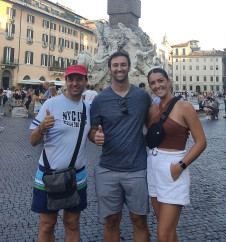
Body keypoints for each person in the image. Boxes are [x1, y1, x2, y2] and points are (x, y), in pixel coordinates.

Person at [89, 51, 151, 242]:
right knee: (111, 220)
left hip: (137, 168)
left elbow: (153, 125)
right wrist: (95, 137)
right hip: (108, 168)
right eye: (115, 65)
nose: (119, 69)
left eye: (123, 65)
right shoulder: (99, 100)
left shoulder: (142, 97)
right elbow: (92, 130)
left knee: (139, 219)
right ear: (109, 69)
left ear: (129, 67)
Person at [29, 65, 90, 241]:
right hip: (48, 175)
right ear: (66, 81)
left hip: (77, 176)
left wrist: (96, 135)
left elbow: (92, 131)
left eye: (79, 79)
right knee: (47, 225)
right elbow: (33, 141)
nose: (75, 83)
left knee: (72, 223)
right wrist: (41, 127)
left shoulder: (88, 108)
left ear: (86, 81)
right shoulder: (51, 104)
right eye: (71, 79)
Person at [146, 68, 206, 242]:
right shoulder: (151, 109)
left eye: (160, 81)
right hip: (153, 168)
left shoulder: (185, 107)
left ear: (168, 81)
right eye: (153, 83)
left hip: (173, 168)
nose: (157, 85)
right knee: (168, 231)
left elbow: (201, 142)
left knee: (163, 233)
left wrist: (181, 166)